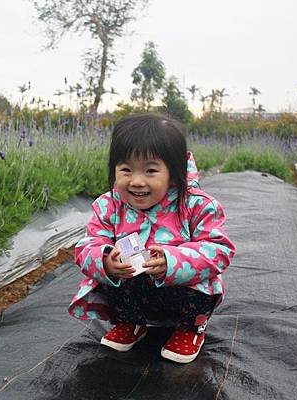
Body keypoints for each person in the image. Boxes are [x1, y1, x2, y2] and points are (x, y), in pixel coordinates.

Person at [68, 113, 236, 363]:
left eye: (150, 170)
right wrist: (105, 259)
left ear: (174, 172)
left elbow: (219, 250)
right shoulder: (108, 206)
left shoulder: (196, 205)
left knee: (203, 280)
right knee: (110, 275)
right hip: (137, 296)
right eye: (126, 169)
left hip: (182, 298)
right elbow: (87, 245)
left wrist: (173, 261)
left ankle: (190, 330)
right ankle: (131, 323)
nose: (136, 181)